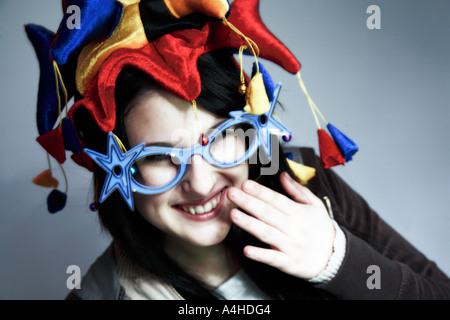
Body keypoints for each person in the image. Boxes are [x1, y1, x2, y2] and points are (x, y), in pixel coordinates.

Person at [26, 0, 450, 300]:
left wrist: (336, 260)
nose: (201, 182)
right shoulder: (103, 294)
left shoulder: (307, 181)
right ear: (117, 171)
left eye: (220, 138)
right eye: (156, 156)